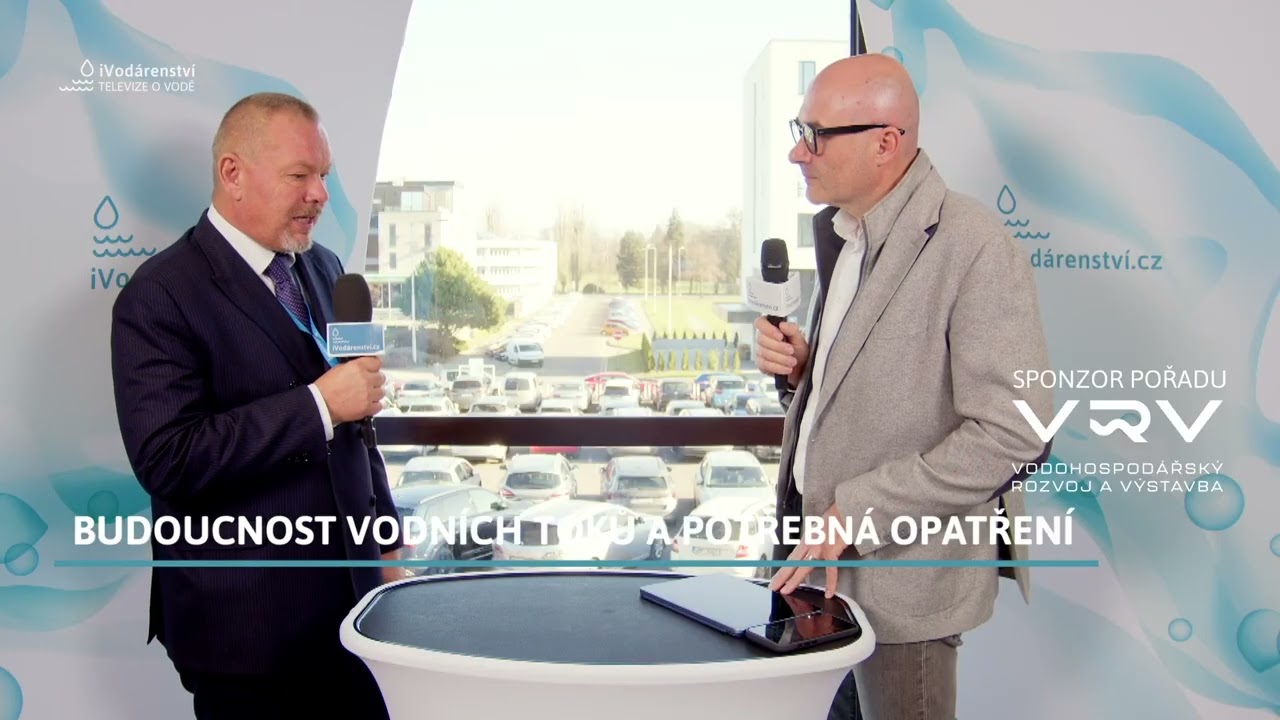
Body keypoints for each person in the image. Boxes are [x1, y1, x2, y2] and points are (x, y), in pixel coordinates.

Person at [754, 54, 1054, 719]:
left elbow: (1017, 432)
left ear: (886, 142)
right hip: (811, 572)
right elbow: (871, 392)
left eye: (815, 135)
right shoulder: (847, 236)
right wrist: (804, 375)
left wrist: (856, 511)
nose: (797, 152)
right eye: (799, 131)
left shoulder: (974, 244)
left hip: (901, 586)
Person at [111, 92, 403, 719]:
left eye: (324, 175)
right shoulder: (160, 295)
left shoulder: (326, 269)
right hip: (247, 638)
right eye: (300, 175)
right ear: (233, 174)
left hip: (356, 620)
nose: (320, 194)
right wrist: (318, 406)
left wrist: (387, 540)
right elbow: (168, 459)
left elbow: (359, 421)